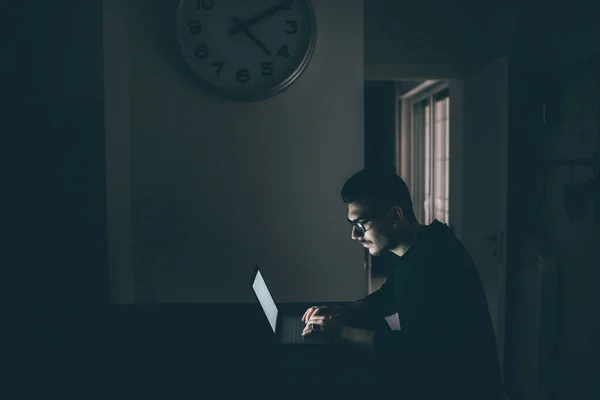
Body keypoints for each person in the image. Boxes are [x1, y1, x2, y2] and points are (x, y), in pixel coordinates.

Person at [301, 168, 503, 399]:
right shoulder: (427, 241)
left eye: (361, 224)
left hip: (461, 388)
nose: (355, 236)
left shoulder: (432, 262)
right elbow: (390, 295)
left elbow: (412, 349)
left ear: (395, 215)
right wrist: (345, 310)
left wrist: (342, 333)